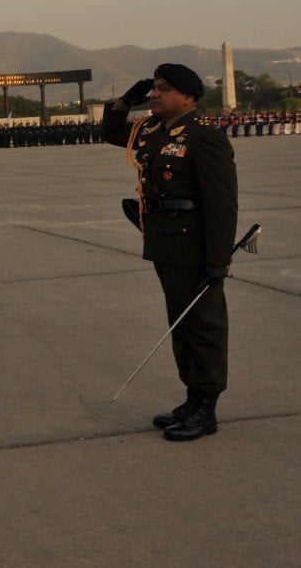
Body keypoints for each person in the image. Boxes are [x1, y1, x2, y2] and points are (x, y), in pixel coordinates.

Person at [102, 64, 238, 442]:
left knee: (204, 327)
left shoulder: (202, 138)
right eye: (154, 88)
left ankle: (205, 408)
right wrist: (124, 101)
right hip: (164, 242)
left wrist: (218, 259)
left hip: (195, 247)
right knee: (181, 325)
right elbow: (111, 132)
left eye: (163, 89)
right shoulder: (151, 130)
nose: (154, 95)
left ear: (188, 98)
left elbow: (222, 205)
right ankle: (191, 400)